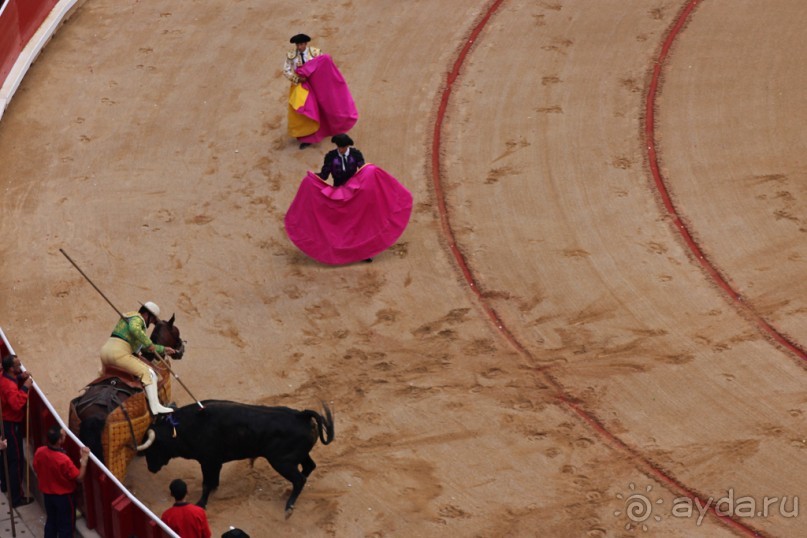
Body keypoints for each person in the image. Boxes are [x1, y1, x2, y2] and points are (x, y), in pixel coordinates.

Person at [99, 302, 177, 415]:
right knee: (148, 373)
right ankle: (155, 407)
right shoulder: (137, 318)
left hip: (105, 352)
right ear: (147, 314)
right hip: (119, 353)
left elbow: (145, 347)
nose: (151, 322)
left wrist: (163, 349)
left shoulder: (128, 318)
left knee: (101, 377)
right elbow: (134, 329)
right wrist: (148, 342)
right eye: (152, 320)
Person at [33, 425, 90, 538]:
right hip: (64, 498)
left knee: (51, 522)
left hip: (48, 495)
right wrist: (84, 460)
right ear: (59, 441)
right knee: (66, 526)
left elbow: (36, 467)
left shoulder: (40, 451)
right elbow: (79, 478)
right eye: (63, 435)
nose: (65, 435)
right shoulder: (63, 460)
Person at [0, 353, 33, 507]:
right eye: (18, 366)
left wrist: (20, 377)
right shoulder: (8, 386)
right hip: (11, 425)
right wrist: (26, 386)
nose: (20, 368)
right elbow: (16, 404)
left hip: (4, 422)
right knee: (16, 460)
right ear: (10, 369)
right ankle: (17, 498)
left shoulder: (4, 376)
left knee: (5, 457)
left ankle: (5, 485)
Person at [284, 33, 322, 149]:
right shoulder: (291, 55)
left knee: (320, 105)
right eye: (297, 45)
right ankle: (307, 136)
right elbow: (286, 70)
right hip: (300, 86)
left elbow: (323, 66)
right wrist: (297, 79)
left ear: (306, 44)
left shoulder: (316, 53)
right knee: (302, 110)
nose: (299, 47)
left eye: (301, 44)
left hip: (315, 84)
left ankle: (323, 129)